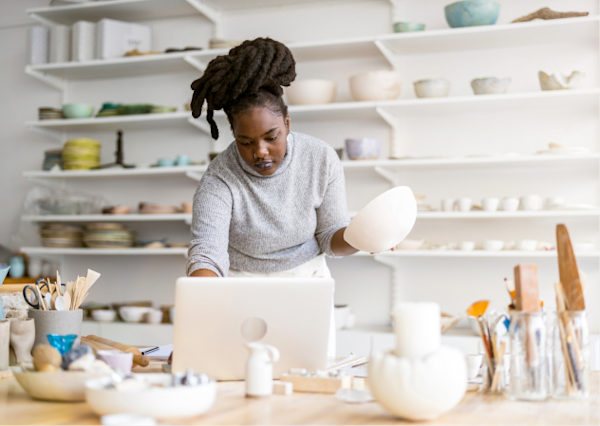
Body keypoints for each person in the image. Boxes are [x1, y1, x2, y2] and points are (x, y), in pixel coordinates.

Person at [186, 37, 358, 282]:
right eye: (246, 142)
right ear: (233, 133)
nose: (260, 151)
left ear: (287, 123)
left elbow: (330, 237)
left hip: (307, 278)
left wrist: (365, 237)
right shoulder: (219, 177)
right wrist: (202, 294)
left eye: (271, 137)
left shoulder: (319, 158)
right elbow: (207, 252)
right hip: (241, 281)